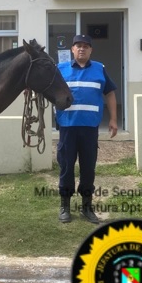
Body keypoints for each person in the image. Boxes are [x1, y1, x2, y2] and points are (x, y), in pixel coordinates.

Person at [55, 34, 118, 223]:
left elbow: (110, 93)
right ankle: (65, 207)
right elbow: (46, 86)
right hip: (67, 127)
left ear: (91, 50)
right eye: (78, 46)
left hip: (89, 128)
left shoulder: (99, 69)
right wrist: (29, 88)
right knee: (66, 168)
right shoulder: (60, 69)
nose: (81, 49)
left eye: (85, 46)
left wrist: (113, 119)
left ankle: (86, 208)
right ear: (72, 49)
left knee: (88, 169)